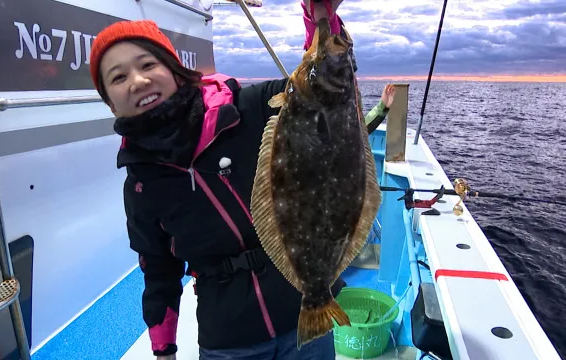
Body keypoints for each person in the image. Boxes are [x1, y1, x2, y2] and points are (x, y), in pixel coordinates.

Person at [88, 0, 394, 358]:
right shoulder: (141, 184)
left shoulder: (245, 107)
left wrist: (321, 19)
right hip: (229, 338)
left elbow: (326, 87)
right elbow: (158, 268)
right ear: (109, 101)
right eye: (118, 77)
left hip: (299, 309)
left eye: (147, 64)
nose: (138, 81)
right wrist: (164, 348)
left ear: (174, 69)